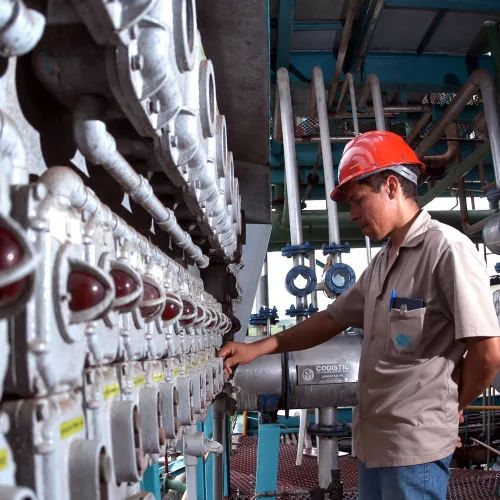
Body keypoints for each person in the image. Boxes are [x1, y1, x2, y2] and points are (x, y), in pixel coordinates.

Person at [218, 130, 500, 500]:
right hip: (372, 443)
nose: (352, 215)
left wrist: (452, 406)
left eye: (357, 201)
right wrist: (257, 348)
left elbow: (487, 352)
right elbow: (331, 319)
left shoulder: (447, 251)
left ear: (392, 186)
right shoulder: (382, 262)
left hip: (414, 449)